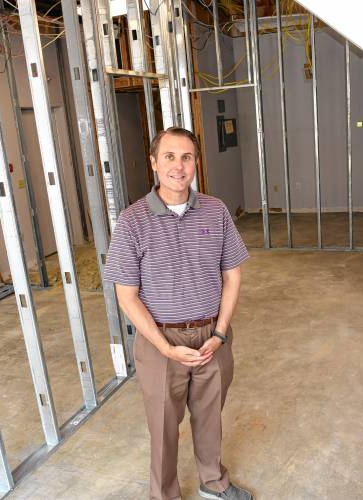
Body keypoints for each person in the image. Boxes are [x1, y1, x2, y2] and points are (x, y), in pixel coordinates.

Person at [103, 127, 252, 500]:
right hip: (160, 343)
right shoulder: (132, 221)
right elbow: (127, 296)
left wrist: (219, 334)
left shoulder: (216, 211)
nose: (178, 165)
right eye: (169, 156)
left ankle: (213, 483)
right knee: (163, 427)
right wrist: (166, 348)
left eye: (186, 157)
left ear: (195, 163)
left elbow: (232, 276)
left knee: (209, 419)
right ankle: (164, 495)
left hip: (211, 339)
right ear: (154, 163)